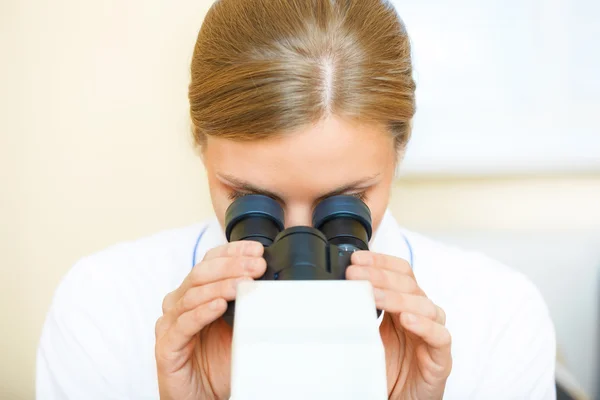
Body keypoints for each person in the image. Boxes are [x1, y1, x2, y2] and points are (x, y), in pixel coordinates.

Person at [36, 0, 557, 399]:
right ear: (200, 145)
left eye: (345, 203)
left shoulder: (499, 317)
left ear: (400, 151)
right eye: (251, 201)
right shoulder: (101, 306)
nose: (296, 247)